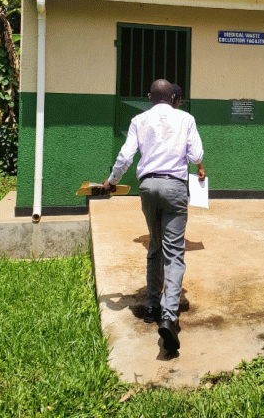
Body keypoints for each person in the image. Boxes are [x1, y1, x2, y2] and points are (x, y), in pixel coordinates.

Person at [102, 79, 205, 353]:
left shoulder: (139, 120)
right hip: (174, 188)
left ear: (150, 97)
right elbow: (196, 154)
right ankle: (169, 317)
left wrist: (112, 180)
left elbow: (125, 156)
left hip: (147, 187)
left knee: (155, 247)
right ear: (173, 97)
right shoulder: (186, 119)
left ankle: (151, 306)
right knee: (174, 252)